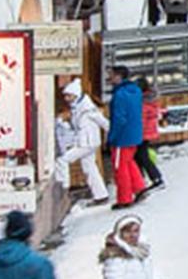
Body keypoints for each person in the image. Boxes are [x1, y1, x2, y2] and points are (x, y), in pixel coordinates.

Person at [57, 78, 110, 206]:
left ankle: (64, 186)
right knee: (89, 167)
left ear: (75, 95)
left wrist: (114, 135)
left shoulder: (87, 109)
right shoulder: (79, 107)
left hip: (86, 143)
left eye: (68, 96)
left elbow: (104, 122)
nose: (66, 99)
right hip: (87, 142)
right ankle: (101, 195)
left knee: (63, 160)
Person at [107, 64, 147, 210]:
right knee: (129, 162)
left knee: (120, 168)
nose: (109, 78)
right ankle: (139, 187)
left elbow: (119, 119)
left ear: (119, 76)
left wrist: (112, 137)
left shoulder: (119, 95)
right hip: (135, 134)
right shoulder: (135, 91)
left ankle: (124, 199)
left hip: (122, 137)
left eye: (111, 75)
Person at [135, 78, 165, 193]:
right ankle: (144, 179)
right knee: (141, 155)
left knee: (142, 156)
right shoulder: (151, 100)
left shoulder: (143, 103)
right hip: (149, 132)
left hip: (143, 133)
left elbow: (140, 120)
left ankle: (155, 178)